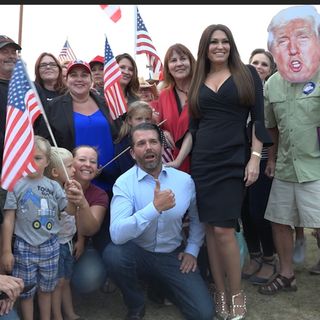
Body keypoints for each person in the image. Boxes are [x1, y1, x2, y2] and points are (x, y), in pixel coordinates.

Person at [188, 24, 272, 319]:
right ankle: (219, 291)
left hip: (233, 159)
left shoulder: (247, 73)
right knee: (211, 228)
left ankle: (236, 294)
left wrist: (254, 158)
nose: (220, 46)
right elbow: (193, 128)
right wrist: (179, 161)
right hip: (203, 161)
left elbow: (258, 120)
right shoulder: (199, 78)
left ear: (231, 45)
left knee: (224, 228)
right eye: (214, 42)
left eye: (225, 41)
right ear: (206, 47)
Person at [103, 123, 214, 320]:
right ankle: (136, 304)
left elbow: (198, 219)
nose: (148, 147)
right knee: (114, 255)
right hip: (138, 252)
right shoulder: (124, 183)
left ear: (162, 148)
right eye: (141, 143)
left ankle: (160, 286)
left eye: (153, 141)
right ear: (132, 153)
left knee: (203, 314)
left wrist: (192, 250)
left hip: (172, 254)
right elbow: (117, 235)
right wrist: (154, 209)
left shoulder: (184, 181)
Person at [259, 5, 320, 295]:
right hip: (285, 166)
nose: (293, 48)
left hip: (316, 166)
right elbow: (272, 127)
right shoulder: (272, 84)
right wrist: (271, 158)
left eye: (303, 37)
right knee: (279, 220)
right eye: (283, 40)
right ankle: (286, 275)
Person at [1, 136, 79, 320]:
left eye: (37, 158)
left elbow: (68, 210)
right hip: (24, 246)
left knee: (47, 289)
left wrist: (74, 200)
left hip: (50, 246)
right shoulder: (15, 185)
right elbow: (9, 219)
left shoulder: (53, 186)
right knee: (26, 291)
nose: (32, 162)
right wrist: (6, 251)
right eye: (27, 157)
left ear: (46, 161)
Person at [38, 59, 118, 196]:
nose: (79, 79)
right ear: (66, 79)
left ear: (91, 79)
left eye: (84, 75)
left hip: (111, 179)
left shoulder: (106, 103)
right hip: (73, 182)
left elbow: (118, 134)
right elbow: (45, 144)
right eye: (74, 75)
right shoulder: (53, 108)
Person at [241, 48, 278, 285]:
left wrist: (271, 159)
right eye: (255, 62)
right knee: (244, 211)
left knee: (259, 211)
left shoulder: (271, 95)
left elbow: (274, 130)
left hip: (263, 159)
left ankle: (269, 257)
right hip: (240, 158)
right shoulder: (242, 93)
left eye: (264, 64)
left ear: (271, 69)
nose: (259, 66)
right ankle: (254, 255)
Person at [44, 147, 84, 320]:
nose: (74, 169)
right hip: (56, 245)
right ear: (54, 172)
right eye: (68, 167)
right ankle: (57, 315)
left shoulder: (66, 188)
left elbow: (76, 215)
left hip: (67, 242)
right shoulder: (50, 194)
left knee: (66, 281)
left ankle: (69, 313)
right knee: (57, 283)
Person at [68, 145, 109, 294]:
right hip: (55, 244)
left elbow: (90, 229)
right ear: (70, 163)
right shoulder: (56, 185)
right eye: (82, 159)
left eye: (93, 162)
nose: (87, 164)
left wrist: (83, 203)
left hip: (85, 245)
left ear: (97, 169)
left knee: (88, 280)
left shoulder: (99, 194)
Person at [154, 43, 196, 173]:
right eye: (173, 60)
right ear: (168, 67)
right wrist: (163, 132)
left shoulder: (202, 90)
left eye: (183, 58)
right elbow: (156, 125)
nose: (179, 64)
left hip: (201, 160)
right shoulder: (164, 95)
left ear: (191, 62)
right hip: (172, 163)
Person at [0, 35, 21, 221]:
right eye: (4, 51)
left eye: (13, 51)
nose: (10, 56)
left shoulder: (27, 86)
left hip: (22, 166)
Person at [114, 100, 153, 175]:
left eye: (147, 119)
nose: (144, 122)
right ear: (129, 120)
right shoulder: (123, 144)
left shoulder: (155, 138)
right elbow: (126, 171)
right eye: (139, 119)